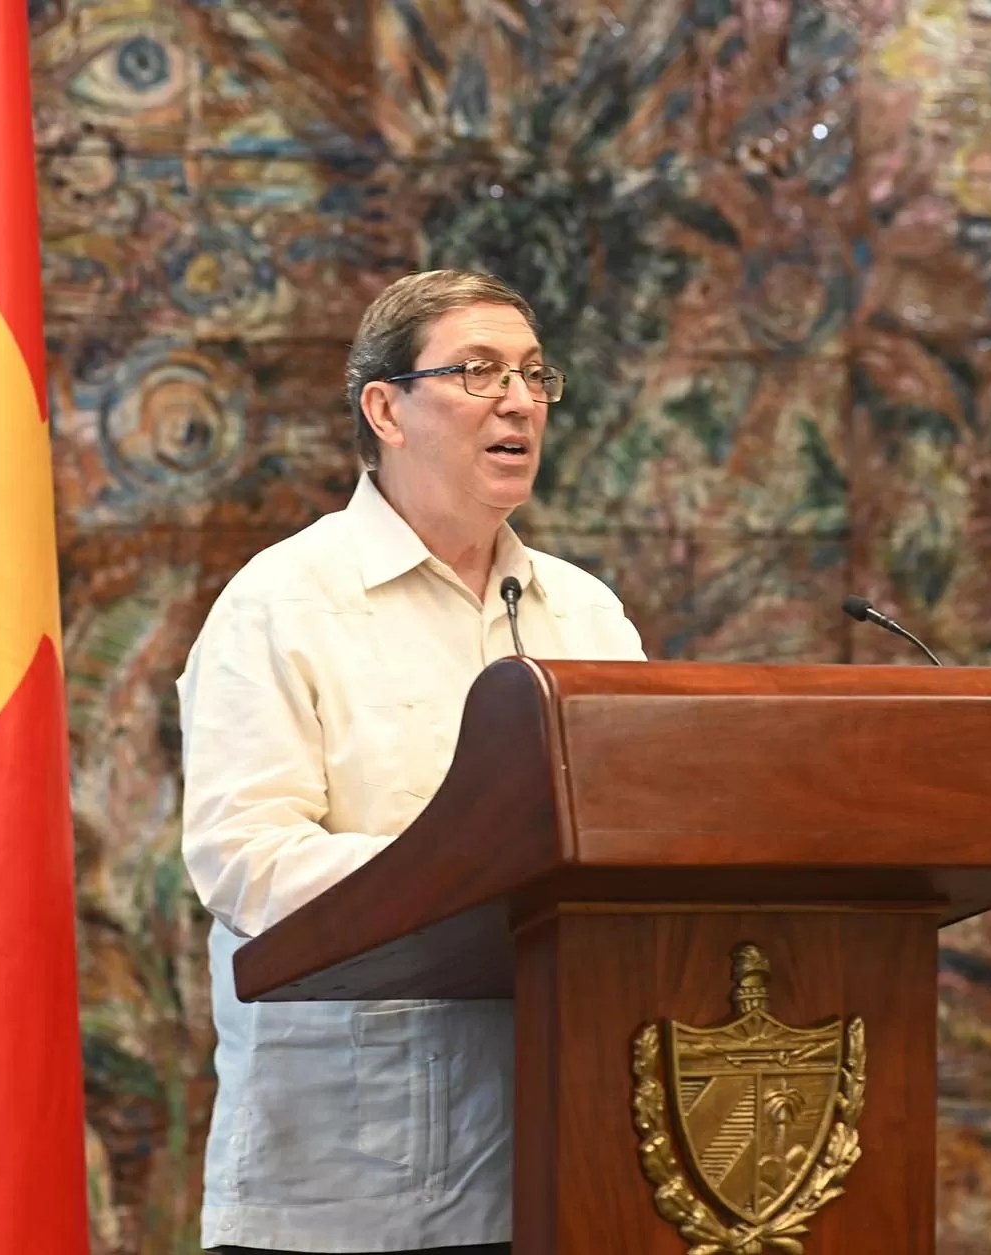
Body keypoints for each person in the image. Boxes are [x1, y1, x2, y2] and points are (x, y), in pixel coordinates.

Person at [176, 269, 647, 1254]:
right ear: (385, 408)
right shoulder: (283, 605)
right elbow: (246, 863)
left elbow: (641, 841)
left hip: (564, 1171)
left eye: (531, 374)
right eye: (477, 372)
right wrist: (468, 877)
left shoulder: (586, 614)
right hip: (344, 1193)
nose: (517, 399)